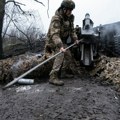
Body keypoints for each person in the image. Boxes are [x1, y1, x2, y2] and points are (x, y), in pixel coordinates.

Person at [44, 0, 78, 86]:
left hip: (61, 41)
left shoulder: (70, 18)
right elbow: (54, 34)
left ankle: (63, 73)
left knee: (68, 55)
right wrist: (60, 46)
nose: (70, 12)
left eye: (71, 10)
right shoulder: (56, 18)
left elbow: (72, 30)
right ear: (63, 9)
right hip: (53, 41)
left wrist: (75, 39)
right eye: (69, 10)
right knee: (60, 53)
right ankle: (53, 77)